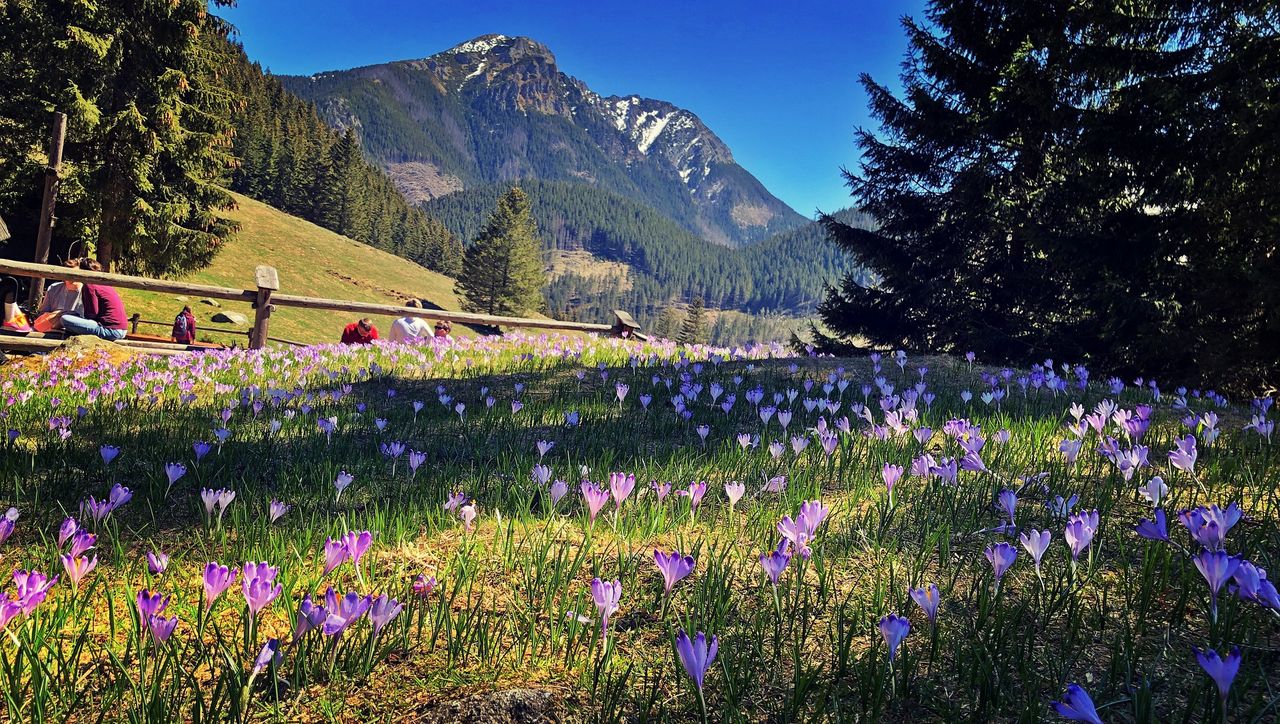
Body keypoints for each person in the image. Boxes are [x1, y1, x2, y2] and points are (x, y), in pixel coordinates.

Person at [60, 258, 128, 341]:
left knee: (65, 319)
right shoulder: (104, 284)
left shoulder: (90, 285)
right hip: (121, 329)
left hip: (109, 330)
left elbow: (92, 313)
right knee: (71, 317)